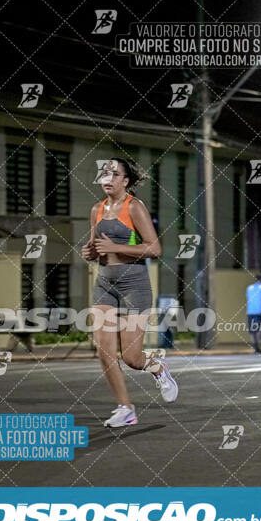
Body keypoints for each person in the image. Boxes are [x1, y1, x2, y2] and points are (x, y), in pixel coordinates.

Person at [81, 158, 178, 428]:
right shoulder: (96, 209)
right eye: (105, 173)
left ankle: (158, 367)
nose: (108, 177)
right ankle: (125, 408)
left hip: (134, 285)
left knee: (131, 358)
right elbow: (95, 247)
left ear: (125, 181)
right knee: (104, 351)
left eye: (115, 174)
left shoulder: (134, 206)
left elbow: (154, 249)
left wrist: (116, 247)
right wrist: (88, 252)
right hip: (105, 284)